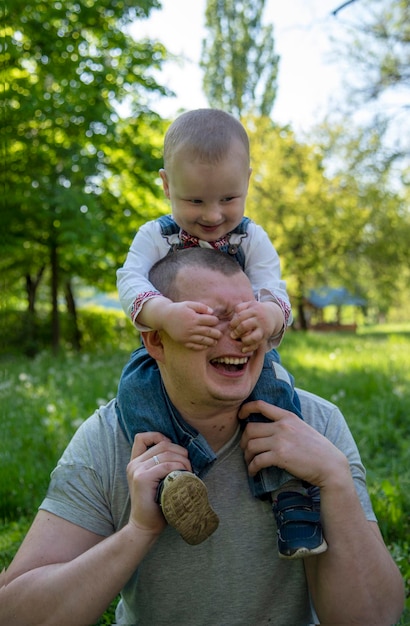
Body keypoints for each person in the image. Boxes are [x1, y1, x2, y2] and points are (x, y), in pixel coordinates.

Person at [0, 247, 404, 626]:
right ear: (156, 338)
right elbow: (15, 614)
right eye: (214, 318)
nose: (243, 336)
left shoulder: (317, 424)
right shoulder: (109, 438)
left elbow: (376, 617)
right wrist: (138, 532)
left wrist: (333, 478)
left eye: (250, 318)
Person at [116, 108, 324, 556]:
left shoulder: (252, 239)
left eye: (229, 199)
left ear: (247, 181)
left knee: (274, 392)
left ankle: (289, 490)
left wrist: (269, 317)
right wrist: (164, 313)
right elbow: (130, 281)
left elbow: (274, 289)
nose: (213, 216)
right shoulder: (156, 236)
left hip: (250, 347)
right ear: (167, 186)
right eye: (194, 202)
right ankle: (173, 476)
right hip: (172, 343)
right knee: (134, 387)